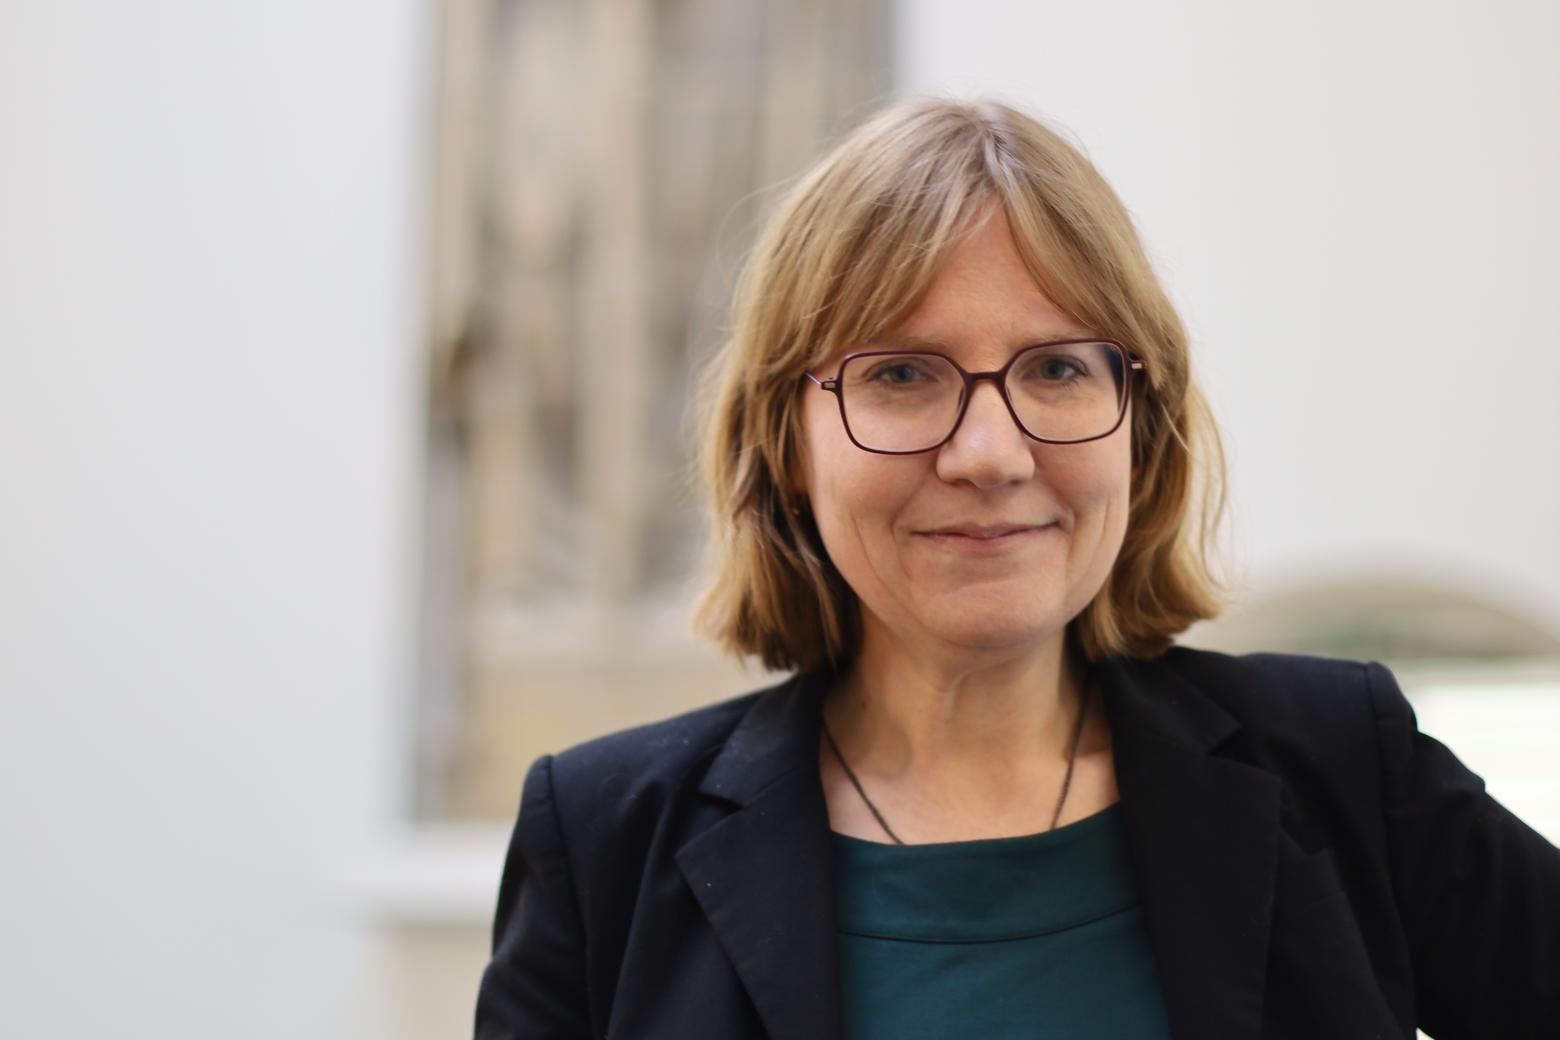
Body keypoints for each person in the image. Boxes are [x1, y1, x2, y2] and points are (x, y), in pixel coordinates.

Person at [474, 97, 1560, 1038]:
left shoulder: (1345, 767)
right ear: (784, 444)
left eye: (1057, 366)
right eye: (899, 371)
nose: (990, 454)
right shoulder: (605, 833)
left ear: (1141, 424)